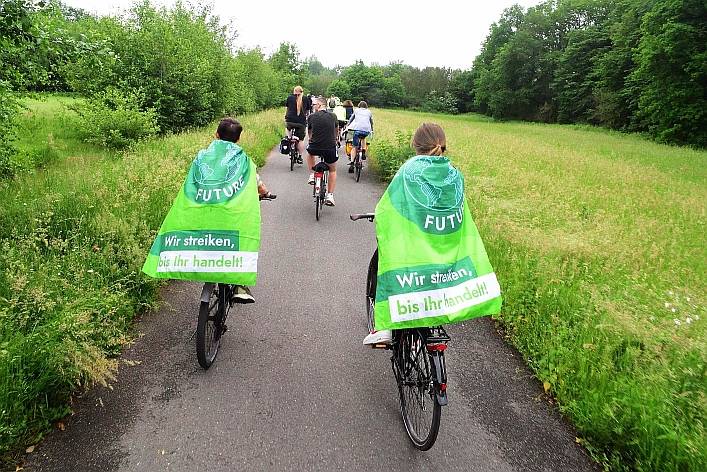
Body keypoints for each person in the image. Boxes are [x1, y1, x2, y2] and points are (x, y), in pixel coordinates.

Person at [141, 117, 274, 305]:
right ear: (238, 139)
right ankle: (239, 285)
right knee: (242, 235)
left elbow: (193, 183)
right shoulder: (244, 162)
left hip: (200, 213)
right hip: (229, 217)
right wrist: (265, 193)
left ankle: (185, 261)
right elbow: (257, 183)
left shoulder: (201, 157)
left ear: (216, 135)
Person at [364, 123, 452, 344]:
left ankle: (385, 327)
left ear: (415, 144)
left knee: (389, 261)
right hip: (444, 245)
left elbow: (389, 204)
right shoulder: (452, 173)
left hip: (414, 243)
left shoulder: (410, 169)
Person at [306, 96, 339, 206]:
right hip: (330, 148)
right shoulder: (333, 116)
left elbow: (309, 132)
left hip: (315, 146)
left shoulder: (311, 117)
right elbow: (336, 131)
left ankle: (312, 174)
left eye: (314, 104)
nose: (313, 106)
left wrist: (311, 139)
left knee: (310, 153)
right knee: (332, 170)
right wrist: (336, 140)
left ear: (319, 105)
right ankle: (330, 195)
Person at [345, 101, 373, 171]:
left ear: (359, 106)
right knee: (363, 138)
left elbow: (351, 119)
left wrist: (348, 125)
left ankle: (351, 164)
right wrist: (371, 129)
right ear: (366, 106)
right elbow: (371, 122)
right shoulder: (369, 112)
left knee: (354, 147)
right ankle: (363, 151)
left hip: (357, 130)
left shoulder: (356, 110)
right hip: (366, 130)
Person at [284, 86, 307, 159]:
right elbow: (308, 111)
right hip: (301, 122)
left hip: (290, 121)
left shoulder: (290, 98)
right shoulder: (305, 98)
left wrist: (286, 117)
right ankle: (300, 156)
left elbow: (287, 108)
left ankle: (289, 139)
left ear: (294, 91)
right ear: (302, 91)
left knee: (287, 129)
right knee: (300, 140)